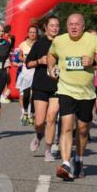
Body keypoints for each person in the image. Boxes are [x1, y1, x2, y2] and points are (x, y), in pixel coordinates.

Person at [47, 13, 97, 180]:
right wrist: (50, 68)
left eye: (77, 24)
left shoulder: (92, 40)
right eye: (70, 24)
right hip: (65, 90)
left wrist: (94, 62)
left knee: (83, 130)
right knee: (66, 127)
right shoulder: (59, 40)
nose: (74, 27)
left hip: (86, 93)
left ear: (83, 26)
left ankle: (79, 159)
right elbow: (51, 55)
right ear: (66, 26)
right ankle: (66, 163)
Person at [26, 16, 61, 161]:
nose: (55, 28)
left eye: (57, 25)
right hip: (40, 85)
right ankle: (39, 135)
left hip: (58, 86)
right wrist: (39, 61)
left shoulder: (63, 44)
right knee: (39, 122)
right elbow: (28, 64)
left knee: (51, 118)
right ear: (46, 27)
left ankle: (48, 150)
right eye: (52, 25)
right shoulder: (39, 44)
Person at [16, 25, 39, 126]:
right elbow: (19, 57)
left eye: (34, 32)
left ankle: (31, 115)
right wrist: (26, 60)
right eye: (31, 32)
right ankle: (24, 112)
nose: (32, 34)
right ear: (28, 33)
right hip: (26, 72)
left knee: (33, 95)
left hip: (36, 72)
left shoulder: (39, 44)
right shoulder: (23, 44)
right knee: (25, 95)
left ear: (36, 34)